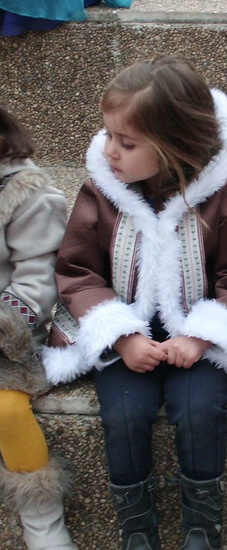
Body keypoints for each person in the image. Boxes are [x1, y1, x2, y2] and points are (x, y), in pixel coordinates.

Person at [43, 55, 227, 550]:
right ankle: (138, 531)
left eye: (127, 142)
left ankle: (202, 529)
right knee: (126, 414)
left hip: (194, 336)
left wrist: (202, 336)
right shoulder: (101, 191)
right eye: (108, 134)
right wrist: (121, 333)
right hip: (125, 333)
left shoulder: (217, 196)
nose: (109, 150)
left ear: (174, 144)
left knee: (200, 409)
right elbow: (78, 270)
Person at [0, 106, 76, 549]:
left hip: (8, 338)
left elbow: (40, 273)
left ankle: (43, 523)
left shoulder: (23, 190)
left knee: (8, 411)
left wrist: (8, 319)